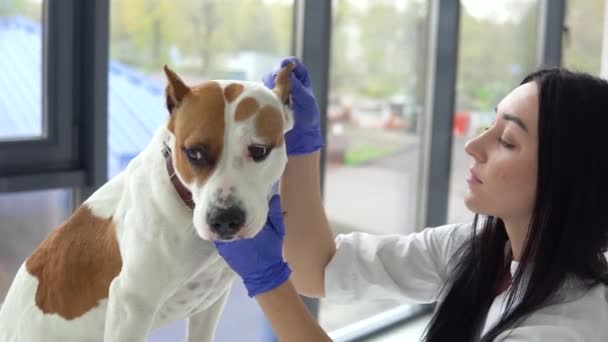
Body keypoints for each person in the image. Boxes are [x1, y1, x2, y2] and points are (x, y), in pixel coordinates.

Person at [214, 57, 608, 341]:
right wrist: (300, 149)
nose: (473, 145)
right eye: (490, 124)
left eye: (506, 140)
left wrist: (266, 282)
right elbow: (319, 269)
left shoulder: (565, 330)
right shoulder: (479, 250)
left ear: (567, 179)